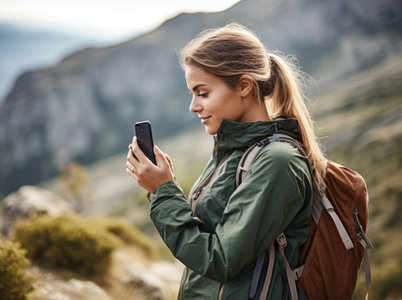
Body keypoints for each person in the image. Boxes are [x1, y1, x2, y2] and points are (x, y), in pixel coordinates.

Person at [126, 22, 326, 299]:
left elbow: (220, 260)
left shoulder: (279, 162)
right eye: (192, 94)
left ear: (244, 85)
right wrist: (164, 185)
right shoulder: (231, 151)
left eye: (203, 93)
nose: (193, 107)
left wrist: (163, 192)